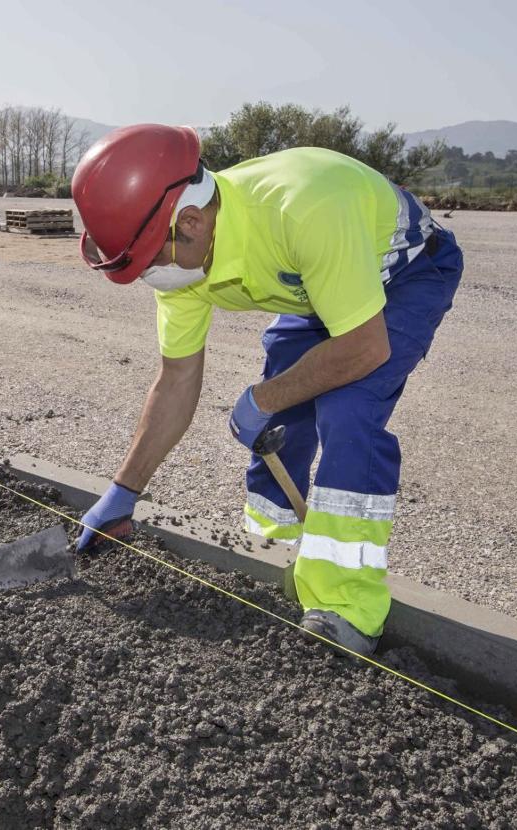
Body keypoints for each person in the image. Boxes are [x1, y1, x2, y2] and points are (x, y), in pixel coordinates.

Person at [71, 125, 462, 656]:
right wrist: (124, 492)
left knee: (347, 409)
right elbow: (176, 380)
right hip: (319, 285)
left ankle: (347, 609)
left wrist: (264, 398)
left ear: (191, 221)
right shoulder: (182, 264)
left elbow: (364, 348)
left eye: (148, 261)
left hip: (406, 270)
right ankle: (277, 549)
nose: (148, 276)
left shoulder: (302, 210)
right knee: (286, 396)